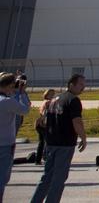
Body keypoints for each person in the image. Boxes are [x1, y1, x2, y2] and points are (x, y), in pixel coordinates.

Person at [32, 74, 87, 203]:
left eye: (84, 85)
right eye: (80, 85)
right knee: (59, 179)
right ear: (71, 85)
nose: (83, 88)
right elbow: (77, 121)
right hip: (65, 143)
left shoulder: (55, 99)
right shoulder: (73, 100)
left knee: (47, 177)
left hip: (51, 142)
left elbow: (46, 119)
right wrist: (83, 137)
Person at [0, 72, 31, 202]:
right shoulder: (7, 102)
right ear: (8, 86)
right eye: (13, 86)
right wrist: (21, 93)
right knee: (2, 179)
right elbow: (25, 109)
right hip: (5, 144)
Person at [33, 88, 56, 165]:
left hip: (39, 123)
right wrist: (43, 122)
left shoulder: (44, 102)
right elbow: (44, 113)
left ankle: (38, 159)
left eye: (54, 94)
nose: (53, 96)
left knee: (42, 142)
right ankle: (46, 157)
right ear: (47, 95)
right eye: (52, 94)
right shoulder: (48, 102)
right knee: (48, 141)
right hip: (43, 124)